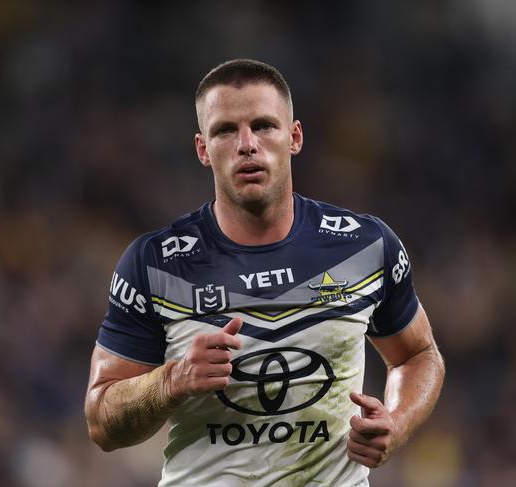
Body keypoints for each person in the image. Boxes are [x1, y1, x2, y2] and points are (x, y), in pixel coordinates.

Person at [84, 59, 445, 486]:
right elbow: (101, 421)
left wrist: (398, 423)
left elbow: (418, 355)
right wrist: (173, 380)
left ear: (294, 137)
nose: (247, 144)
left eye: (264, 126)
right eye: (225, 131)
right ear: (203, 149)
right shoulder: (156, 263)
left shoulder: (364, 247)